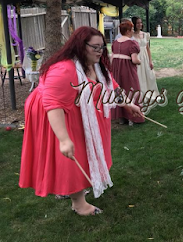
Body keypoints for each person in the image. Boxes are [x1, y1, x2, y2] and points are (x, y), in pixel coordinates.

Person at [19, 26, 143, 216]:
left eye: (102, 47)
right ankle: (79, 204)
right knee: (74, 156)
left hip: (80, 113)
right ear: (80, 46)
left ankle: (69, 189)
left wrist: (128, 105)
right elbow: (53, 105)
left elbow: (112, 87)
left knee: (84, 153)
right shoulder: (64, 70)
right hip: (58, 115)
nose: (100, 51)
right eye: (95, 47)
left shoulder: (97, 65)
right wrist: (64, 139)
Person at [111, 21, 145, 125]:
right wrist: (140, 62)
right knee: (131, 89)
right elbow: (134, 60)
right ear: (128, 31)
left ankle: (121, 117)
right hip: (128, 70)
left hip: (116, 69)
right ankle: (132, 118)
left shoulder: (115, 43)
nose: (133, 31)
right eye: (132, 29)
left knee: (119, 90)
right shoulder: (132, 43)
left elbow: (112, 58)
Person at [131, 16, 160, 100]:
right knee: (138, 76)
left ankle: (150, 93)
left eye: (141, 22)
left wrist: (150, 61)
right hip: (136, 57)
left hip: (145, 57)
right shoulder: (131, 35)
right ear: (134, 24)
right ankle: (140, 94)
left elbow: (148, 49)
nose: (140, 24)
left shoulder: (145, 34)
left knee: (149, 75)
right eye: (138, 23)